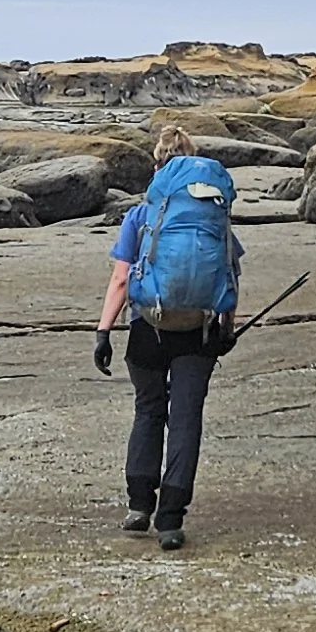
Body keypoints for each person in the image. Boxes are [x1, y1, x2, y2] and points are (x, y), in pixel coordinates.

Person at [93, 121, 239, 546]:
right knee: (186, 420)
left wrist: (103, 331)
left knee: (149, 411)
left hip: (147, 328)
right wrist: (226, 329)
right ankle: (171, 520)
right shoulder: (214, 213)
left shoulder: (141, 215)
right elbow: (229, 271)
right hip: (198, 329)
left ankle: (139, 505)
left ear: (157, 166)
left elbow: (121, 280)